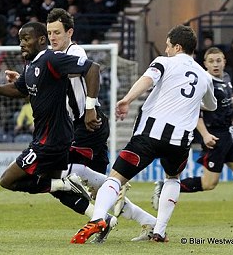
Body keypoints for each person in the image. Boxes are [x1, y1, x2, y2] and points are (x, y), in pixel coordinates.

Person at [6, 8, 157, 243]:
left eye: (57, 32)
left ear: (70, 32)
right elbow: (49, 86)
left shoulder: (74, 51)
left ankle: (109, 194)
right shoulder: (50, 59)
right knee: (83, 188)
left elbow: (89, 69)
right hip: (75, 127)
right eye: (49, 32)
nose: (53, 37)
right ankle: (146, 220)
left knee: (64, 176)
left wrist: (89, 107)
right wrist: (27, 80)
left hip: (88, 125)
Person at [71, 25, 217, 244]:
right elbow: (211, 106)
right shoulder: (204, 77)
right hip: (179, 143)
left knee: (116, 179)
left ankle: (99, 217)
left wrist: (127, 99)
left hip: (149, 136)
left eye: (168, 46)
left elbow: (148, 79)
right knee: (173, 178)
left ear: (177, 46)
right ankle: (159, 230)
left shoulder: (164, 62)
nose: (166, 50)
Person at [0, 22, 101, 225]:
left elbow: (92, 68)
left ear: (42, 40)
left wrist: (90, 108)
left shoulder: (51, 58)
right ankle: (100, 218)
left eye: (26, 39)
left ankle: (66, 185)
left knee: (8, 180)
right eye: (20, 40)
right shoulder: (31, 65)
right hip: (53, 137)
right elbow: (19, 89)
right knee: (53, 187)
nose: (22, 44)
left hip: (50, 140)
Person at [152, 47, 233, 225]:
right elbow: (195, 110)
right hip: (213, 135)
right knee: (209, 184)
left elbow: (219, 100)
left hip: (228, 134)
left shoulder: (226, 78)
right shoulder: (204, 81)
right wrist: (205, 134)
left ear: (224, 61)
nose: (215, 64)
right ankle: (166, 187)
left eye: (218, 60)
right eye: (211, 61)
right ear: (205, 64)